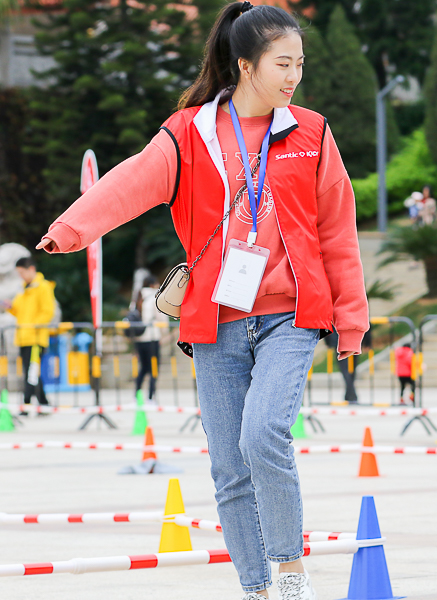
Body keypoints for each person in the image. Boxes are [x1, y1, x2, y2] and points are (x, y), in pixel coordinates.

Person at [37, 4, 369, 598]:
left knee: (262, 434)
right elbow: (133, 179)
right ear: (245, 65)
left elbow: (337, 231)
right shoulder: (189, 131)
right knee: (227, 468)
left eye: (300, 64)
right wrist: (72, 228)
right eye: (283, 63)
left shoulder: (311, 132)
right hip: (215, 319)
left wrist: (350, 320)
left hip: (290, 315)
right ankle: (255, 588)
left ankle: (290, 574)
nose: (295, 76)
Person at [3, 256, 56, 415]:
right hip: (23, 337)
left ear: (31, 269)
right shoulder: (24, 288)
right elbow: (19, 310)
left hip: (35, 338)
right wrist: (10, 306)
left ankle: (27, 405)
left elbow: (48, 312)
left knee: (31, 372)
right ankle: (43, 404)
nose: (20, 276)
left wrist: (33, 326)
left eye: (22, 272)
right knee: (31, 372)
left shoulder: (43, 287)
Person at [134, 276, 169, 405]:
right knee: (154, 367)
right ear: (153, 284)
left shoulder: (136, 297)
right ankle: (150, 397)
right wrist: (164, 332)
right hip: (152, 337)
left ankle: (136, 395)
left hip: (139, 338)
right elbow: (161, 316)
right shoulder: (155, 296)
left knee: (143, 368)